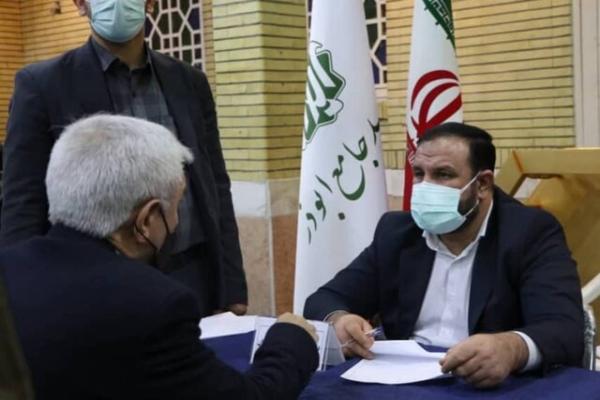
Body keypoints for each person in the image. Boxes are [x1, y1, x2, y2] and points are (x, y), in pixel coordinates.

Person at [0, 115, 319, 399]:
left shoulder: (8, 269)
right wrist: (291, 339)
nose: (177, 222)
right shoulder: (151, 305)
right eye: (178, 206)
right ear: (147, 219)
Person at [0, 0, 246, 317]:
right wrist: (20, 304)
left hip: (192, 275)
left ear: (151, 3)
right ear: (80, 4)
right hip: (96, 288)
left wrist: (233, 287)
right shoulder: (43, 85)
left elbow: (215, 185)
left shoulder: (189, 82)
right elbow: (22, 204)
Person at [304, 122, 584, 388]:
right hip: (403, 383)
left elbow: (564, 329)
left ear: (482, 184)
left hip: (490, 386)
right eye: (419, 174)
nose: (425, 186)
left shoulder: (529, 232)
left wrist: (512, 348)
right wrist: (340, 321)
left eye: (443, 175)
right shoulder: (397, 232)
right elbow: (323, 299)